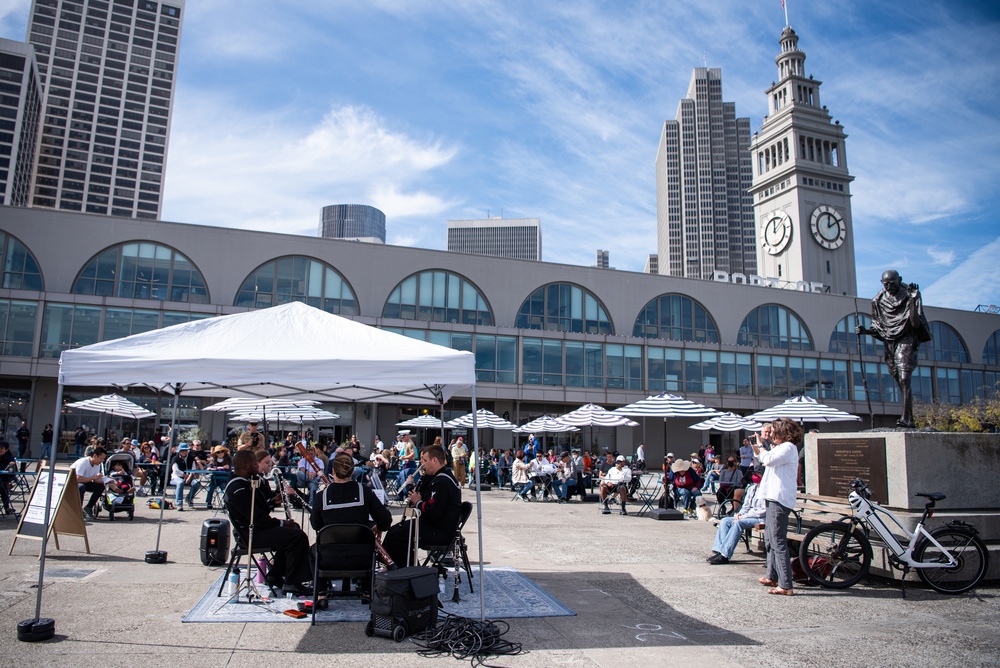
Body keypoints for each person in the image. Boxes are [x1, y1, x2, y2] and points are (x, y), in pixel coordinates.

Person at [224, 449, 311, 595]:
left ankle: (275, 575)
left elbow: (259, 511)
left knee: (293, 532)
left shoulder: (245, 483)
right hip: (250, 534)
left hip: (256, 529)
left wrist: (272, 501)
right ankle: (292, 582)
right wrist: (282, 523)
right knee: (297, 537)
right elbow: (257, 519)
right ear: (245, 465)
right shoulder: (238, 488)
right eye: (254, 464)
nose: (257, 467)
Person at [856, 269, 932, 429]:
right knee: (899, 379)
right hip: (890, 343)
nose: (889, 286)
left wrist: (913, 300)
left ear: (900, 280)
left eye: (893, 282)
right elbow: (879, 328)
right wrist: (865, 331)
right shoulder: (878, 301)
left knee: (905, 378)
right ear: (881, 283)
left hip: (907, 339)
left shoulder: (909, 294)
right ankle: (909, 419)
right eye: (886, 283)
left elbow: (915, 323)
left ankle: (906, 418)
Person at [310, 453, 394, 595]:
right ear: (353, 471)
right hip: (361, 557)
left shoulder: (321, 496)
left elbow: (316, 525)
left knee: (312, 551)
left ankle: (321, 593)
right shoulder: (365, 492)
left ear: (333, 472)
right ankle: (367, 591)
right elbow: (386, 520)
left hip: (329, 558)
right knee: (367, 544)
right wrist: (378, 527)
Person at [382, 444, 461, 568]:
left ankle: (407, 572)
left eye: (424, 460)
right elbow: (426, 499)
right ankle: (405, 568)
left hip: (440, 531)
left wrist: (418, 502)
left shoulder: (442, 481)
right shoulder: (436, 477)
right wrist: (413, 489)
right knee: (394, 531)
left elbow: (432, 512)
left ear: (434, 460)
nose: (422, 464)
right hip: (434, 526)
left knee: (396, 536)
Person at [753, 417, 802, 596]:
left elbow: (768, 460)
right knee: (770, 539)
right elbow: (766, 458)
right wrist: (762, 448)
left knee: (777, 540)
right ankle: (772, 575)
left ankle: (786, 584)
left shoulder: (788, 447)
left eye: (773, 431)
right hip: (773, 497)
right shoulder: (780, 447)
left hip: (779, 498)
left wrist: (761, 447)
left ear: (782, 432)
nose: (771, 433)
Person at [707, 477, 766, 565]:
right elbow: (746, 506)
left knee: (738, 523)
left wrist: (744, 516)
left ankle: (725, 555)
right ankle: (719, 550)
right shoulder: (752, 488)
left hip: (760, 518)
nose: (755, 477)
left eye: (758, 474)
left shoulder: (767, 490)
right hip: (748, 516)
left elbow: (762, 511)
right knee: (725, 521)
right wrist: (739, 514)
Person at [72, 446, 108, 520]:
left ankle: (88, 507)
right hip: (73, 483)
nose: (102, 461)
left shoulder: (97, 465)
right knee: (81, 487)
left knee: (100, 487)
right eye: (101, 459)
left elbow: (96, 480)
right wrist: (93, 478)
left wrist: (107, 481)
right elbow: (78, 479)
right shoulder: (83, 462)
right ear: (95, 456)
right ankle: (78, 510)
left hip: (85, 482)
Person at [170, 442, 203, 511]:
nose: (184, 452)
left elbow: (193, 469)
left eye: (186, 450)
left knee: (197, 483)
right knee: (180, 483)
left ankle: (189, 498)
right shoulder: (175, 458)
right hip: (176, 477)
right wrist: (185, 476)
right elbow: (176, 471)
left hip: (190, 476)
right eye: (182, 450)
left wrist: (190, 476)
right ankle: (179, 503)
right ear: (179, 451)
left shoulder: (191, 458)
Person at [204, 445, 232, 510]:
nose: (220, 453)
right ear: (216, 453)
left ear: (224, 452)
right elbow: (209, 468)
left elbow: (227, 467)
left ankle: (226, 503)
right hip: (214, 479)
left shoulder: (228, 459)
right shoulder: (213, 460)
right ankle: (208, 503)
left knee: (224, 490)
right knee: (210, 489)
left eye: (222, 451)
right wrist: (219, 468)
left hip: (224, 479)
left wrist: (216, 468)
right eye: (218, 452)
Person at [0, 441, 16, 515]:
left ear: (6, 449)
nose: (0, 450)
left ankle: (7, 508)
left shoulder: (9, 458)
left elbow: (13, 472)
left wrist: (10, 467)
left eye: (1, 448)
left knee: (3, 486)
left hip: (4, 478)